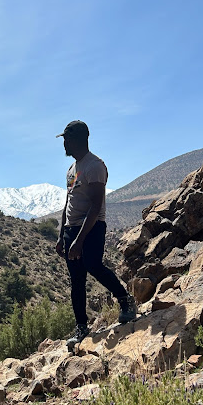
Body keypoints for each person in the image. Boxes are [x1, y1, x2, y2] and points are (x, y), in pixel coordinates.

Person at [55, 120, 137, 350]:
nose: (64, 144)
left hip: (91, 227)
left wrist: (79, 240)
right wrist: (62, 235)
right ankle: (81, 327)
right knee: (76, 281)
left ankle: (125, 300)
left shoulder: (95, 166)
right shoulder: (72, 169)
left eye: (67, 139)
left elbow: (95, 205)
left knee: (93, 265)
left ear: (79, 139)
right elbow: (68, 202)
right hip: (71, 229)